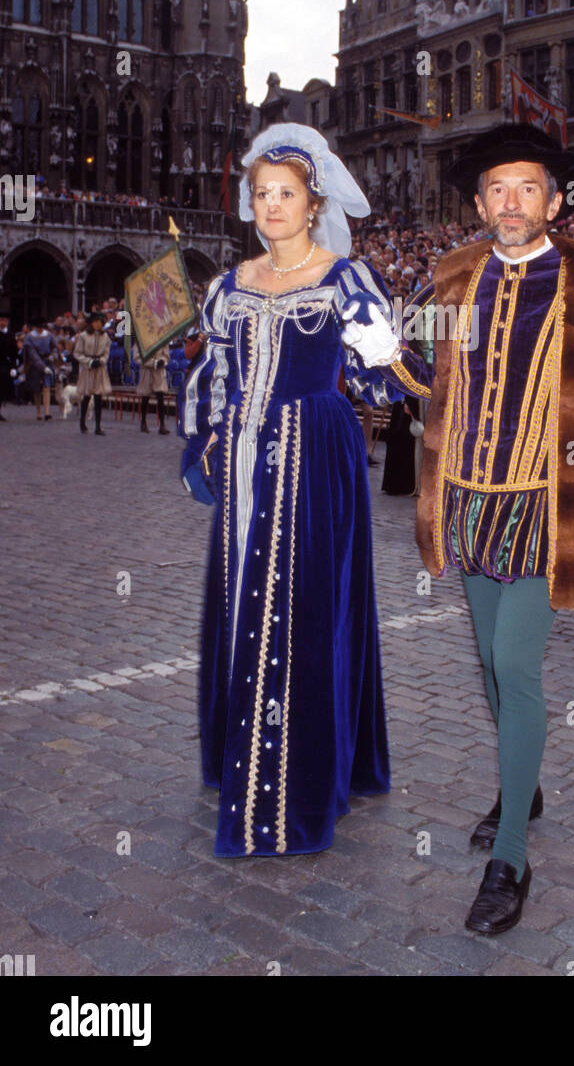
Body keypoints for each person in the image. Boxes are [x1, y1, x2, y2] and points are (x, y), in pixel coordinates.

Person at [340, 124, 574, 934]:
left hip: (545, 499)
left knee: (517, 667)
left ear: (554, 200)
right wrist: (388, 351)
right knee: (490, 662)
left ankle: (511, 861)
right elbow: (422, 376)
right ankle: (520, 786)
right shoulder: (456, 276)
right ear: (481, 202)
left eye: (528, 188)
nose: (511, 202)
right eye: (497, 189)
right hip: (465, 494)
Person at [178, 123, 404, 858]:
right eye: (261, 193)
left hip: (313, 454)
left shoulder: (344, 278)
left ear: (314, 203)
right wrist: (205, 441)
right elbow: (213, 380)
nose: (272, 206)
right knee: (245, 593)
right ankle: (241, 746)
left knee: (303, 606)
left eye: (287, 194)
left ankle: (296, 779)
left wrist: (384, 349)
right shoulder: (228, 285)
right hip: (243, 456)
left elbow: (380, 381)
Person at [73, 313, 111, 435]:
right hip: (88, 368)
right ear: (91, 323)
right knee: (87, 396)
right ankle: (82, 422)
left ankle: (98, 426)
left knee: (99, 397)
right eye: (95, 321)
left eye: (100, 322)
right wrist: (89, 362)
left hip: (99, 368)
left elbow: (106, 352)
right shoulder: (83, 336)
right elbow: (77, 353)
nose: (98, 324)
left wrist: (102, 361)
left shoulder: (105, 336)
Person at [22, 317, 58, 421]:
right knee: (37, 388)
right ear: (35, 327)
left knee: (47, 386)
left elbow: (55, 347)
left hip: (48, 361)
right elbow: (32, 354)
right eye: (39, 327)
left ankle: (47, 412)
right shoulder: (29, 337)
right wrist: (42, 367)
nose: (40, 329)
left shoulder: (49, 335)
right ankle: (38, 411)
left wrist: (53, 355)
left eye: (42, 327)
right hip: (35, 364)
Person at [137, 345, 171, 434]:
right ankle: (143, 422)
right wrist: (153, 363)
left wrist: (162, 361)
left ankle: (162, 425)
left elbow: (166, 354)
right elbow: (137, 357)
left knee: (160, 398)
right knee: (145, 398)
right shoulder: (141, 337)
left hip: (159, 372)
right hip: (146, 371)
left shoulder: (162, 337)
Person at [0, 304, 15, 421]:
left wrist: (13, 367)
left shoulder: (10, 335)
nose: (3, 322)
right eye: (1, 320)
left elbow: (13, 352)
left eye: (5, 320)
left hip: (4, 364)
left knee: (2, 387)